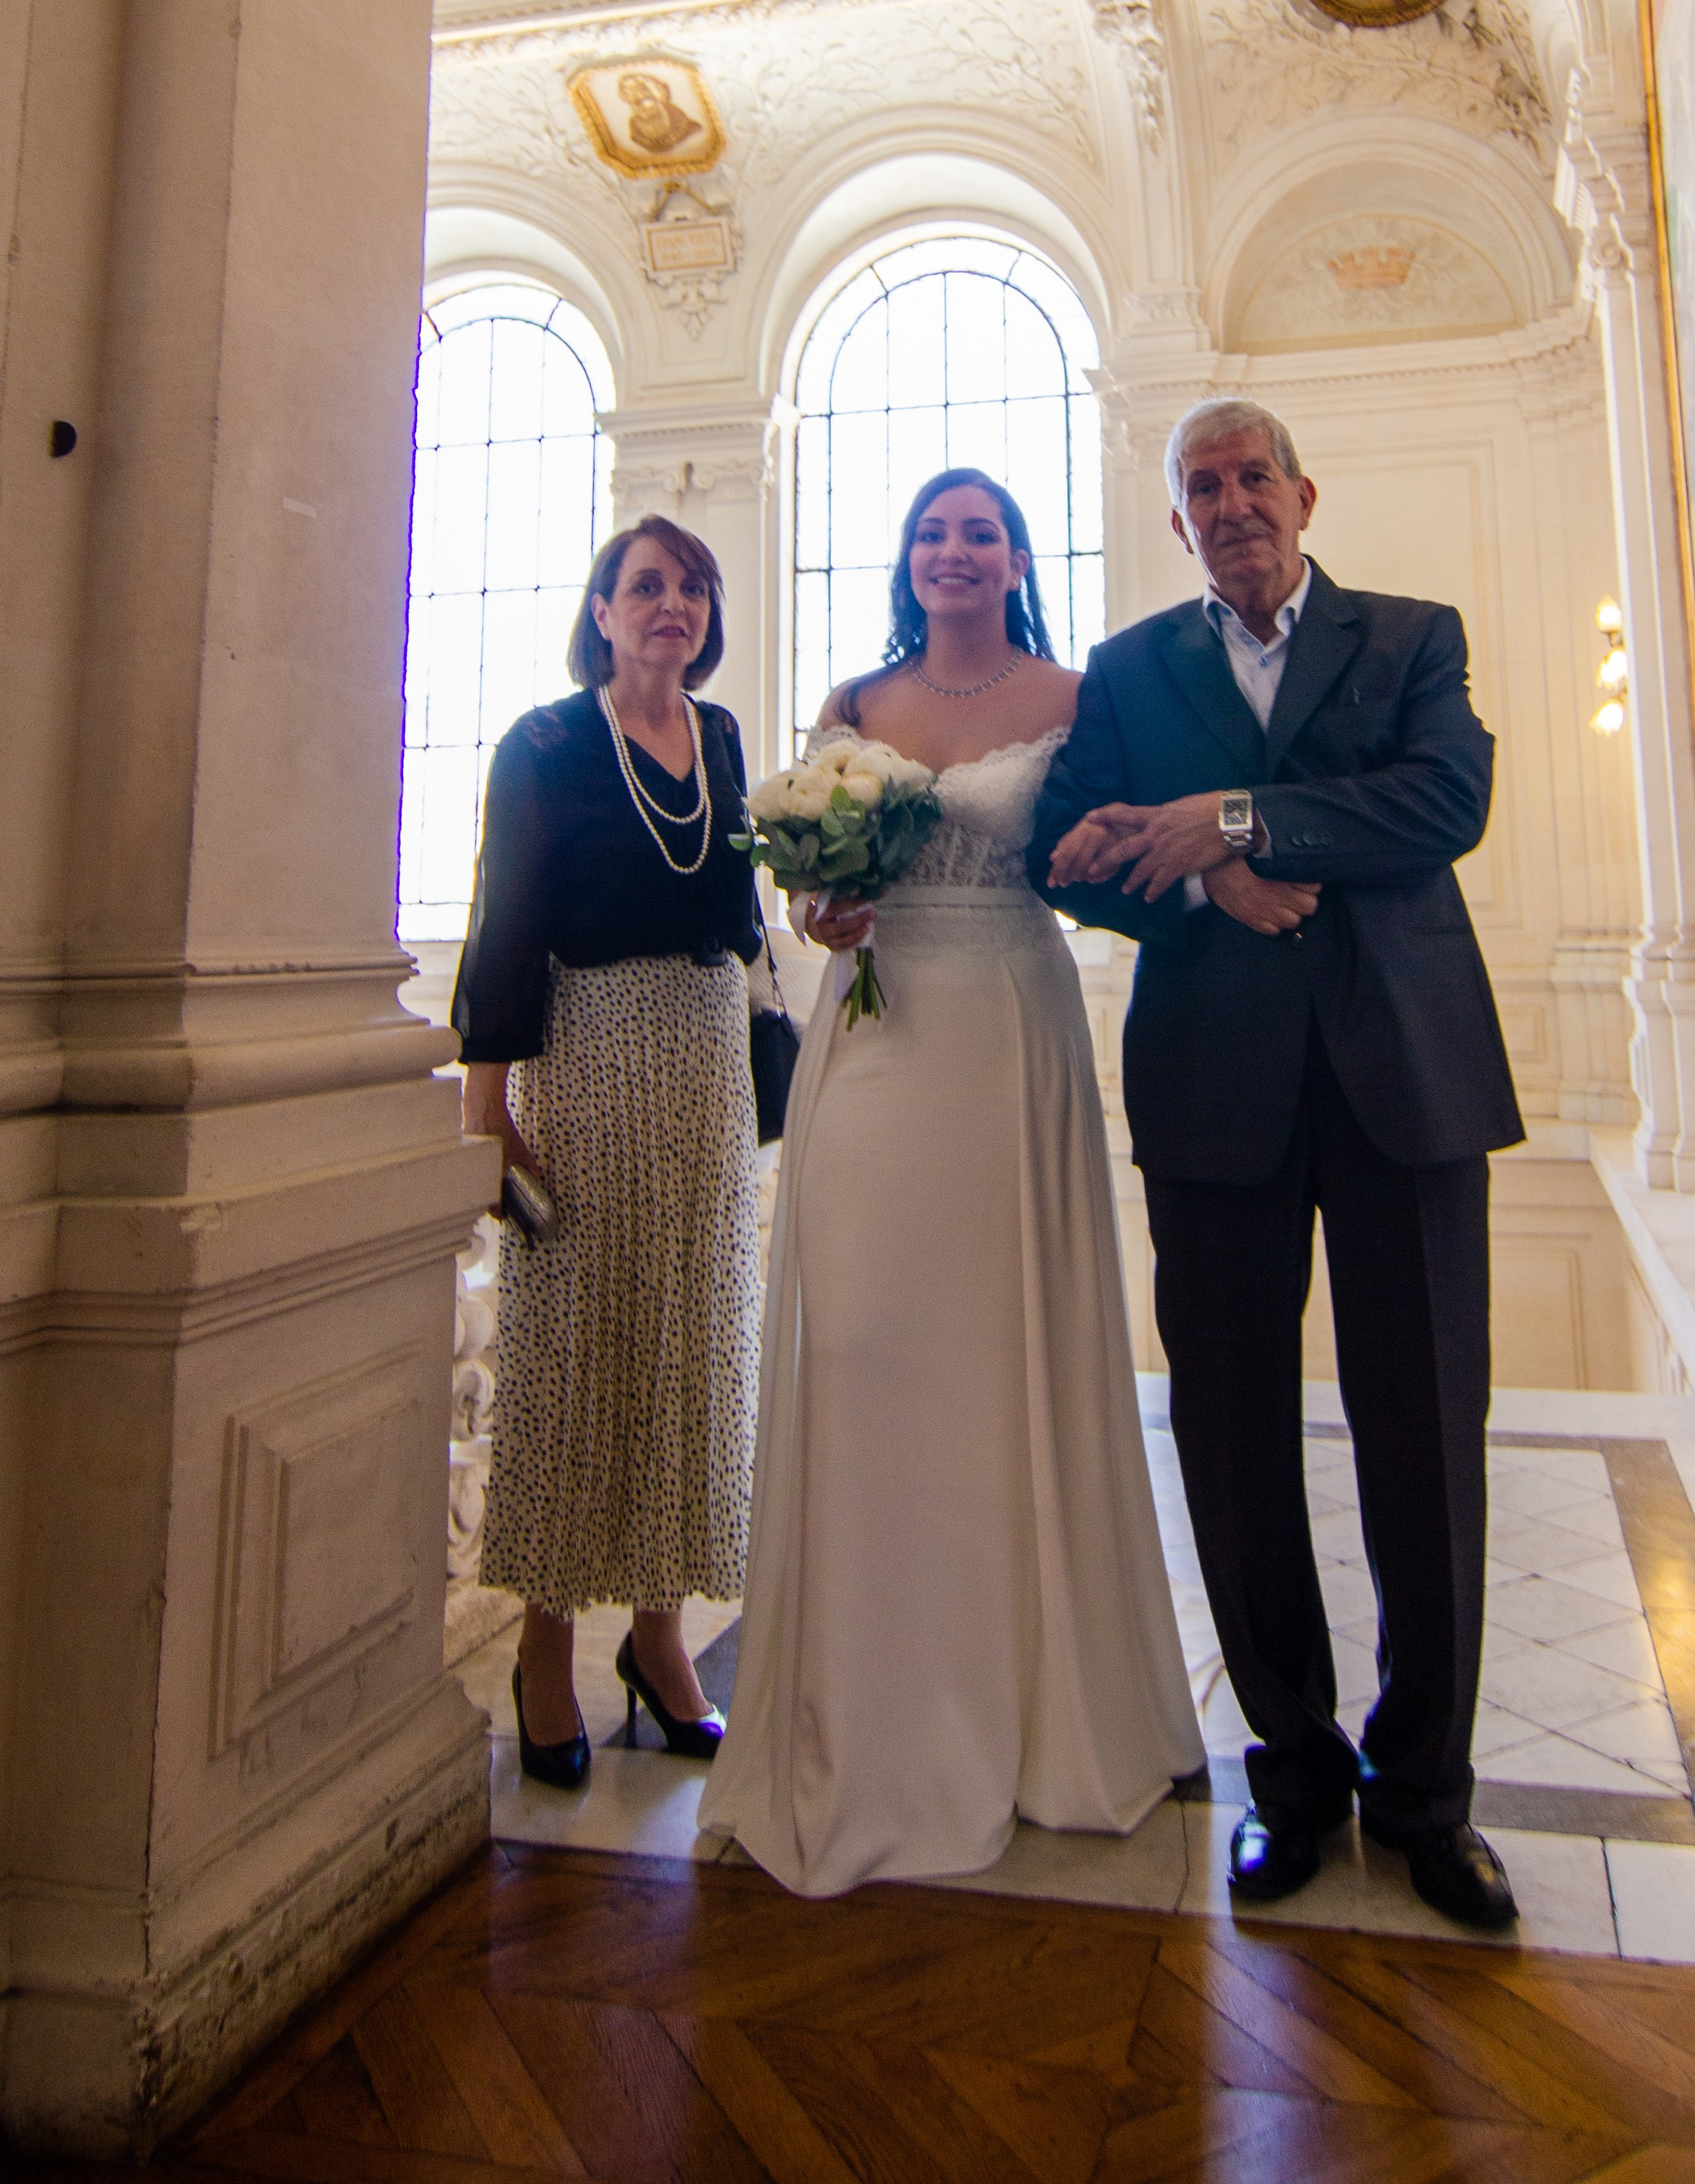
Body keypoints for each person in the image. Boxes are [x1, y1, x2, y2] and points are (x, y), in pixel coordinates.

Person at [1028, 401, 1525, 1922]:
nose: (1232, 502)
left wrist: (1233, 816)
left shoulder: (1409, 634)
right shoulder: (1125, 672)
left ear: (1304, 494)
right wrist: (1206, 886)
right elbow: (1069, 848)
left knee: (1427, 1442)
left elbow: (1445, 801)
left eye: (1254, 477)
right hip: (1213, 1091)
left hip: (1407, 1081)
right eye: (1203, 485)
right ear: (1177, 522)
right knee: (1233, 1441)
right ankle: (1294, 1774)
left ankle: (1429, 1798)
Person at [702, 470, 1201, 1894]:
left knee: (1004, 1354)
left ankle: (1036, 1709)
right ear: (908, 557)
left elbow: (1105, 854)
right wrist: (820, 903)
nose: (954, 549)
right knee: (859, 1346)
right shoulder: (856, 701)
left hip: (1006, 1029)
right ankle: (865, 1714)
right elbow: (797, 892)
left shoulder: (1075, 690)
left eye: (981, 529)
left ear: (1018, 556)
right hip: (874, 1036)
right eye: (932, 529)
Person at [453, 515, 764, 1788]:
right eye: (646, 585)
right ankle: (541, 1649)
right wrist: (489, 1107)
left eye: (692, 587)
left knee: (694, 1344)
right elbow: (506, 914)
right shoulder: (545, 742)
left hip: (706, 1058)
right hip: (586, 1050)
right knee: (575, 1347)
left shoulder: (726, 735)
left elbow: (739, 904)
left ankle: (659, 1638)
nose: (670, 605)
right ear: (601, 608)